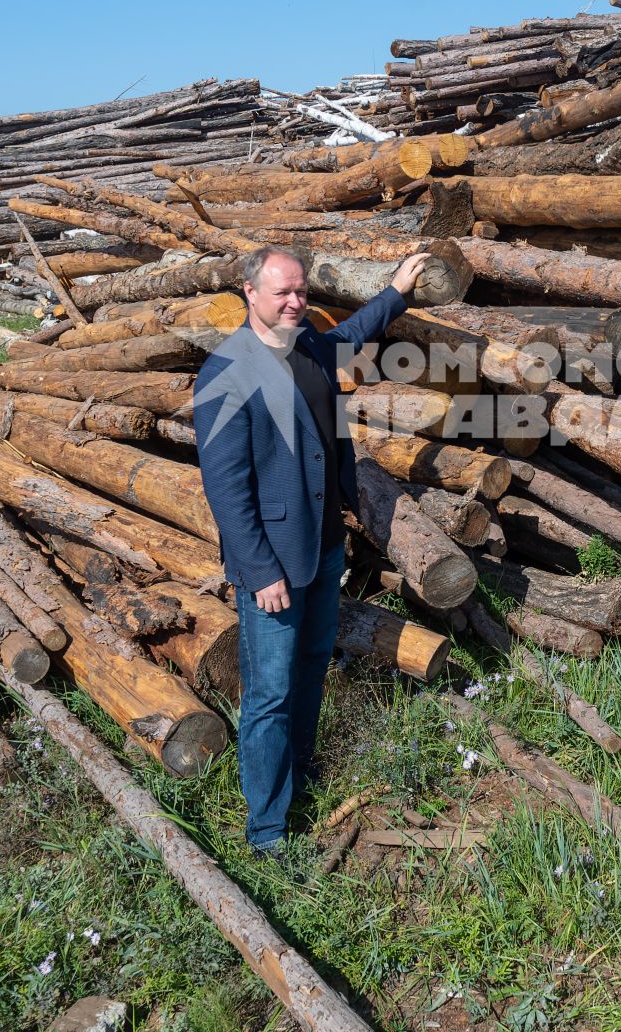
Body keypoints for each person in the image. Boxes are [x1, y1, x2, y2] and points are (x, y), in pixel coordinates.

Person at [193, 245, 429, 852]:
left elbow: (352, 332)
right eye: (283, 293)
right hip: (274, 563)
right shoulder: (228, 372)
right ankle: (267, 830)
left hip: (325, 548)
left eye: (302, 291)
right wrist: (259, 569)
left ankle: (298, 776)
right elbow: (226, 490)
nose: (296, 302)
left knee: (311, 669)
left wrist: (396, 291)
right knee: (269, 694)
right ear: (250, 294)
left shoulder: (308, 347)